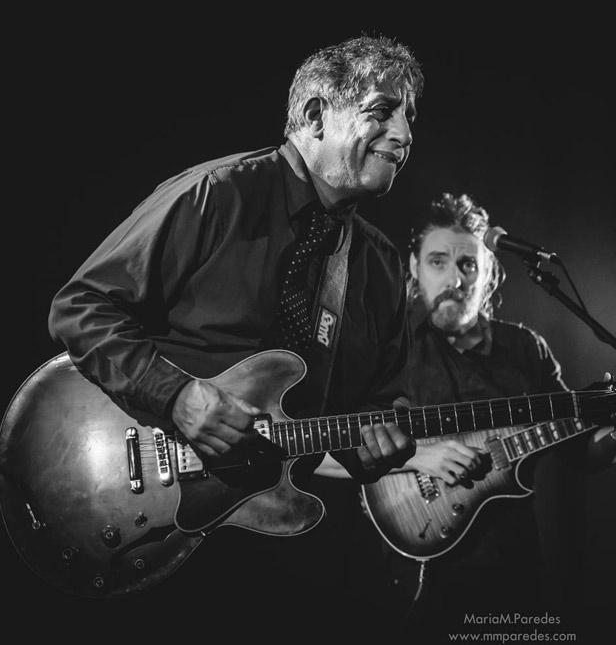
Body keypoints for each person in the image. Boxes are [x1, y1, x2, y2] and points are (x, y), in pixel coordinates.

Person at [46, 36, 422, 619]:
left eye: (409, 119)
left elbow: (375, 401)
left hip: (286, 560)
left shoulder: (382, 266)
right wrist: (176, 397)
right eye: (381, 111)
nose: (403, 135)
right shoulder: (215, 196)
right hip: (156, 524)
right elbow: (81, 308)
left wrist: (380, 444)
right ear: (316, 115)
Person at [316, 193, 616, 635]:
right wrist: (417, 456)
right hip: (406, 583)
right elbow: (323, 446)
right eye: (438, 262)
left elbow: (580, 453)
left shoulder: (525, 349)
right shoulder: (387, 350)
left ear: (489, 273)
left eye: (468, 265)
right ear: (413, 268)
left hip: (510, 574)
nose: (455, 277)